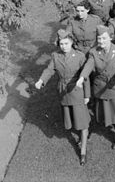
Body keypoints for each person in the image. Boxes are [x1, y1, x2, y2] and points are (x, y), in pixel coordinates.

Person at [76, 25, 115, 162]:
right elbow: (89, 65)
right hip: (103, 91)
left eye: (103, 38)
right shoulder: (93, 52)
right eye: (99, 39)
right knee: (112, 119)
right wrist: (82, 77)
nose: (101, 41)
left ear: (110, 37)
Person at [35, 30, 91, 166]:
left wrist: (87, 94)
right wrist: (41, 80)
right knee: (72, 119)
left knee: (82, 122)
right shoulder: (55, 56)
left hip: (77, 91)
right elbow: (49, 70)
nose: (64, 46)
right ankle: (80, 136)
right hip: (64, 92)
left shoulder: (79, 56)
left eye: (66, 43)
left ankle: (83, 151)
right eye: (61, 44)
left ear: (71, 43)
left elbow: (86, 77)